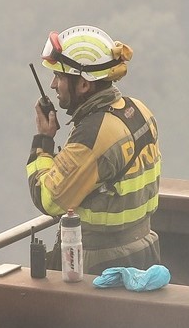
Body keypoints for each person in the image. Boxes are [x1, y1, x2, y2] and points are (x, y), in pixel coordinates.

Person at [28, 24, 164, 271]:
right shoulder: (139, 110)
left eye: (59, 76)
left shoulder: (93, 136)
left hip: (101, 268)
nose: (52, 85)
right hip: (143, 252)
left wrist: (43, 142)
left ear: (83, 85)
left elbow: (48, 200)